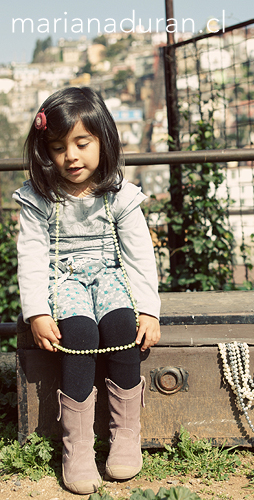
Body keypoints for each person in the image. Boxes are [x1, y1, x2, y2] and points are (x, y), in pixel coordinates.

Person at [14, 87, 161, 494]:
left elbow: (138, 256)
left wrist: (148, 309)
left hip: (111, 276)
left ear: (103, 141)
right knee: (77, 334)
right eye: (59, 148)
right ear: (46, 152)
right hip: (62, 280)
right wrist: (37, 312)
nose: (71, 157)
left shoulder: (119, 195)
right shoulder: (40, 198)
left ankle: (125, 434)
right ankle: (77, 447)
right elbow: (30, 257)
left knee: (120, 328)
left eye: (82, 143)